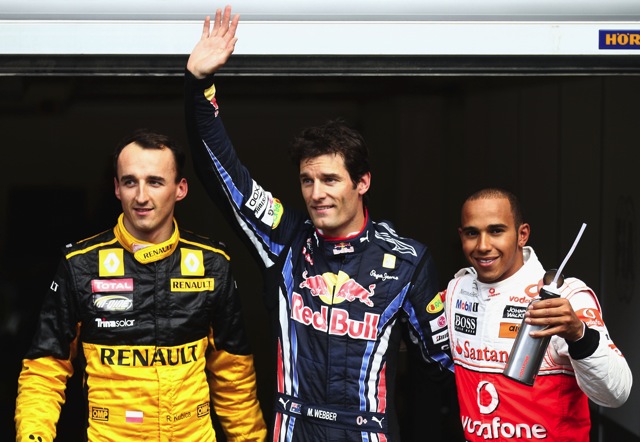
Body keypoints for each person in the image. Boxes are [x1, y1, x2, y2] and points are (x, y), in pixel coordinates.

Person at [184, 6, 454, 441]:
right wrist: (199, 87)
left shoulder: (407, 261)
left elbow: (442, 369)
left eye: (330, 180)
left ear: (362, 182)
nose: (316, 193)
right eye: (307, 181)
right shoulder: (286, 240)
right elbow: (225, 179)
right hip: (295, 428)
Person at [15, 129, 267, 441]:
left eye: (155, 182)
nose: (142, 196)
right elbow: (45, 368)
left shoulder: (213, 263)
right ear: (116, 188)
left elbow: (234, 377)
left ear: (180, 189)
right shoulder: (80, 265)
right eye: (130, 182)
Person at [444, 188, 632, 441]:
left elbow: (616, 393)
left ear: (522, 235)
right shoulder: (457, 290)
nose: (483, 246)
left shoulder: (566, 296)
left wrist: (579, 334)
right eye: (472, 233)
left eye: (496, 231)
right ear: (461, 236)